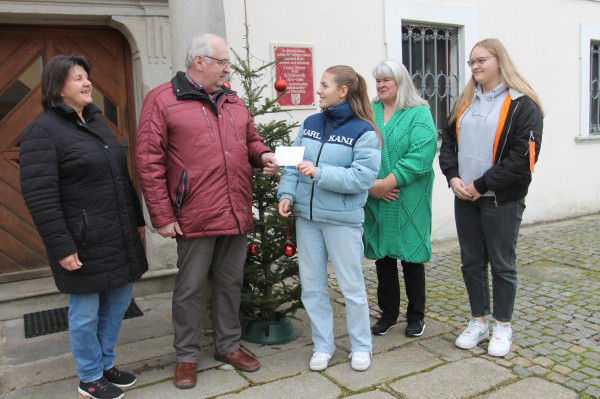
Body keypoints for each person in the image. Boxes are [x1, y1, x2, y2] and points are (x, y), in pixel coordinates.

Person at [135, 33, 278, 389]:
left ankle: (228, 345)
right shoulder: (162, 100)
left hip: (234, 207)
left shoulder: (232, 99)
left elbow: (251, 140)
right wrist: (163, 216)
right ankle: (186, 355)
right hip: (194, 212)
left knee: (231, 282)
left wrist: (262, 156)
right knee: (190, 287)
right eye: (223, 62)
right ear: (200, 62)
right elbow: (148, 161)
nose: (228, 69)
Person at [19, 55, 148, 399]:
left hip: (115, 234)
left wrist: (136, 222)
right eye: (77, 78)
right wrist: (61, 246)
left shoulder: (95, 122)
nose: (87, 82)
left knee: (119, 301)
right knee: (85, 312)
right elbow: (40, 197)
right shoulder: (42, 131)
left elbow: (122, 180)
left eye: (87, 76)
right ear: (57, 88)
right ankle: (89, 377)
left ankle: (105, 364)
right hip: (83, 239)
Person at [439, 38, 544, 357]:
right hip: (465, 197)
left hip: (501, 199)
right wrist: (453, 177)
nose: (475, 67)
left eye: (481, 60)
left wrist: (481, 184)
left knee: (502, 264)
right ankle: (478, 321)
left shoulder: (523, 105)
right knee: (471, 262)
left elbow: (521, 159)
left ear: (500, 61)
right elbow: (447, 142)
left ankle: (503, 326)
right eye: (471, 62)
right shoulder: (465, 101)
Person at [277, 65, 382, 372]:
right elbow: (290, 164)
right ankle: (323, 346)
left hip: (341, 222)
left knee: (351, 286)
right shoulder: (309, 123)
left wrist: (320, 173)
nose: (318, 90)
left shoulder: (365, 131)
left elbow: (362, 178)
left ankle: (361, 346)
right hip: (307, 219)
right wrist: (287, 194)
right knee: (311, 286)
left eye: (324, 85)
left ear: (343, 91)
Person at [363, 60, 437, 338]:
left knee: (411, 259)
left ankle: (416, 316)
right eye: (378, 80)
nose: (381, 85)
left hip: (407, 196)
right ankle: (388, 314)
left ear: (401, 82)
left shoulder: (419, 112)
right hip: (377, 197)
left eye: (387, 80)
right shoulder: (370, 112)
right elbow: (358, 149)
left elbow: (420, 156)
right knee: (383, 259)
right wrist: (372, 186)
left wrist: (387, 183)